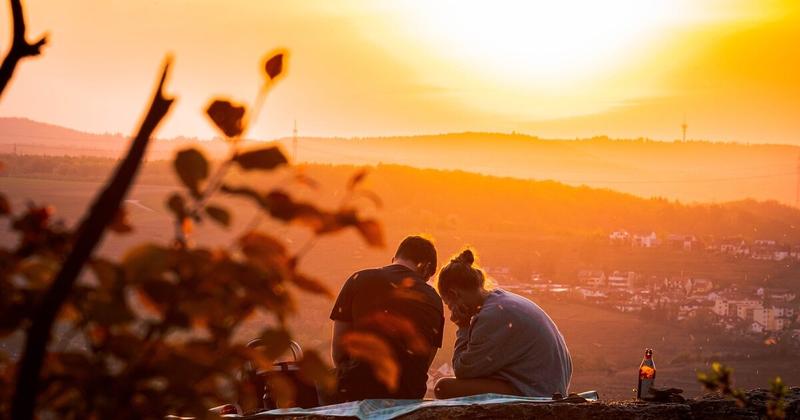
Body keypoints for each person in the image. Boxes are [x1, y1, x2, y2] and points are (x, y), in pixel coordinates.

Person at [434, 249, 572, 399]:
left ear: (455, 294)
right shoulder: (502, 301)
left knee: (443, 388)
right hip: (546, 385)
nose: (451, 311)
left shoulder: (492, 316)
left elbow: (463, 371)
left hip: (537, 393)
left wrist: (463, 326)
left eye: (449, 304)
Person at [329, 236, 444, 402]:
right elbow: (423, 362)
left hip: (357, 389)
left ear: (394, 259)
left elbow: (339, 353)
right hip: (408, 394)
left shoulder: (359, 279)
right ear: (426, 269)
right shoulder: (434, 299)